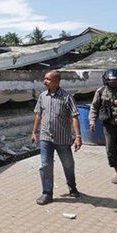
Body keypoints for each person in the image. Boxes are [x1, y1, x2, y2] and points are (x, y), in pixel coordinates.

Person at [31, 70, 82, 205]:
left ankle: (72, 186)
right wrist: (34, 132)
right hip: (45, 137)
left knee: (68, 164)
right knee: (45, 165)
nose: (45, 81)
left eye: (48, 79)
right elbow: (38, 114)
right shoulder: (42, 96)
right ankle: (47, 193)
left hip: (63, 139)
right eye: (45, 78)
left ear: (57, 81)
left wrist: (78, 136)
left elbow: (74, 117)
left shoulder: (67, 97)